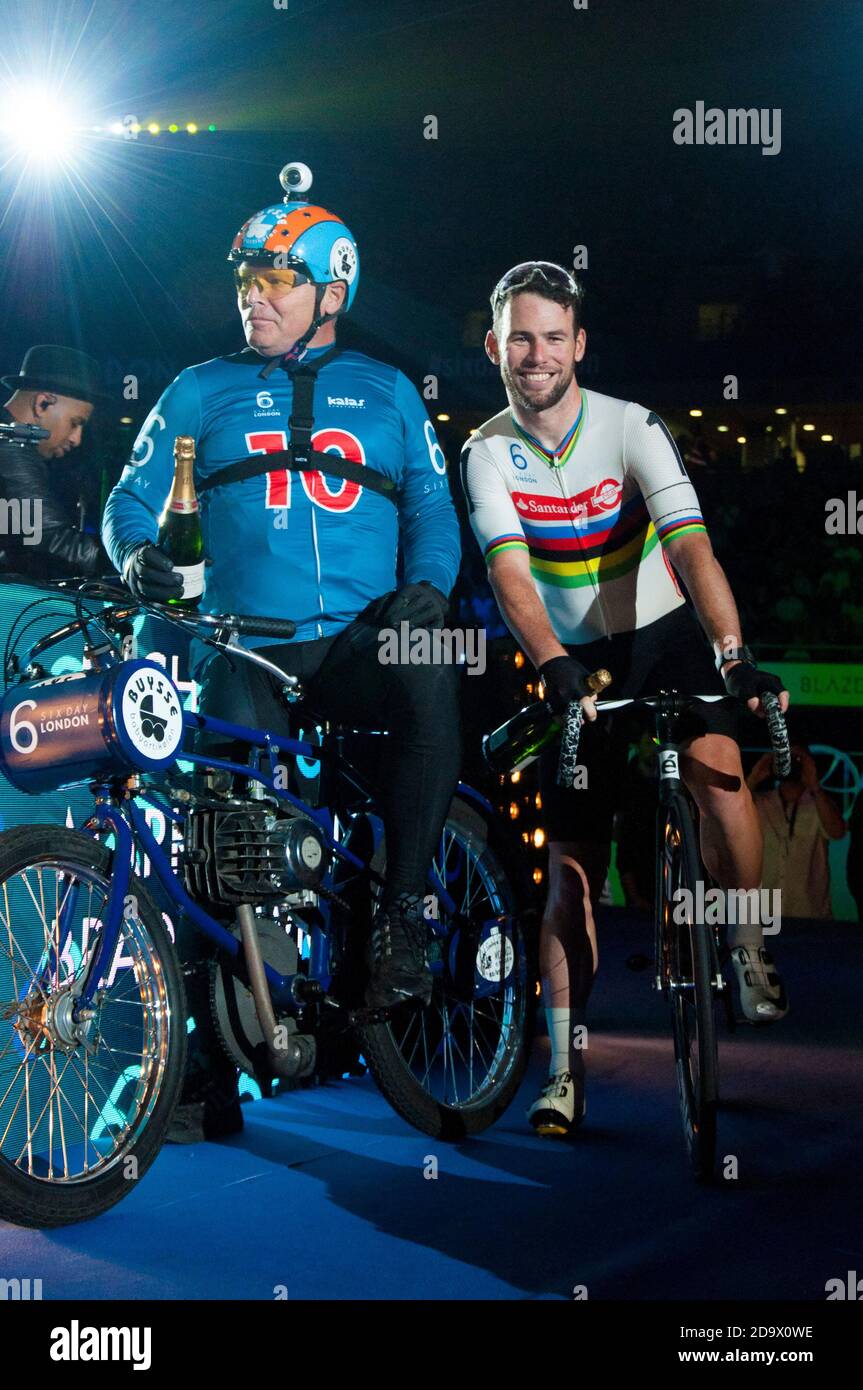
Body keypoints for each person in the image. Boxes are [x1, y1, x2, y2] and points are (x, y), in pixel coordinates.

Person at [102, 163, 461, 1137]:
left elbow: (433, 508)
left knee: (429, 671)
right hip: (240, 650)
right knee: (219, 843)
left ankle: (396, 920)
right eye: (243, 283)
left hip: (354, 643)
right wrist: (135, 554)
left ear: (329, 294)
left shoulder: (387, 393)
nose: (250, 300)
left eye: (274, 283)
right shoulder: (195, 388)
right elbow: (127, 501)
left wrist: (424, 590)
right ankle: (208, 1074)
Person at [460, 261, 790, 1137]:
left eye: (552, 338)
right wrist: (549, 661)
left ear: (579, 346)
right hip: (574, 657)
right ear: (495, 345)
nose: (536, 355)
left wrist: (732, 654)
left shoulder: (629, 424)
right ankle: (564, 1067)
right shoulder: (484, 449)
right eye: (519, 338)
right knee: (568, 865)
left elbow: (692, 547)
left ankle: (747, 946)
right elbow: (507, 572)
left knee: (718, 770)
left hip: (664, 636)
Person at [0, 345, 107, 579]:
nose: (76, 439)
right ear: (42, 403)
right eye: (75, 422)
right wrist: (130, 558)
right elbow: (46, 539)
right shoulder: (9, 445)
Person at [747, 744, 847, 919]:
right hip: (764, 915)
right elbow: (730, 816)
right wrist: (755, 776)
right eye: (785, 758)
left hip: (811, 915)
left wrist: (814, 784)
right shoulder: (760, 803)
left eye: (797, 760)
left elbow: (837, 832)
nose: (790, 764)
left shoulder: (820, 805)